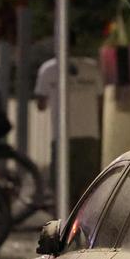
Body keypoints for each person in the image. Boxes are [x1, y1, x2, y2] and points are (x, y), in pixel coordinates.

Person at [34, 55, 102, 210]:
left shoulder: (48, 69)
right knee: (88, 186)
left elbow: (41, 104)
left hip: (62, 136)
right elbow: (100, 102)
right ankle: (84, 225)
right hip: (89, 134)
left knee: (61, 185)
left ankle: (62, 226)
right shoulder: (92, 69)